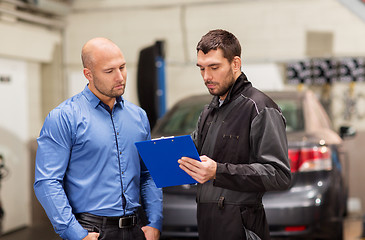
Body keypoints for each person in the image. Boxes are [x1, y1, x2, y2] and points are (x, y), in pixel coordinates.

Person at [34, 37, 163, 240]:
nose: (120, 77)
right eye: (109, 71)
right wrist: (75, 234)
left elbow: (148, 174)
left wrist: (155, 222)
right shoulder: (64, 117)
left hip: (137, 229)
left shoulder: (138, 116)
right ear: (88, 74)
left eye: (122, 67)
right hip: (91, 230)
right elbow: (47, 181)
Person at [178, 29, 291, 240]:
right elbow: (192, 152)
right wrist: (166, 151)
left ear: (235, 64)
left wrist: (217, 172)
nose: (206, 77)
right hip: (209, 224)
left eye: (214, 67)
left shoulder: (259, 108)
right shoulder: (209, 111)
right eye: (201, 69)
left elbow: (279, 174)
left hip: (242, 228)